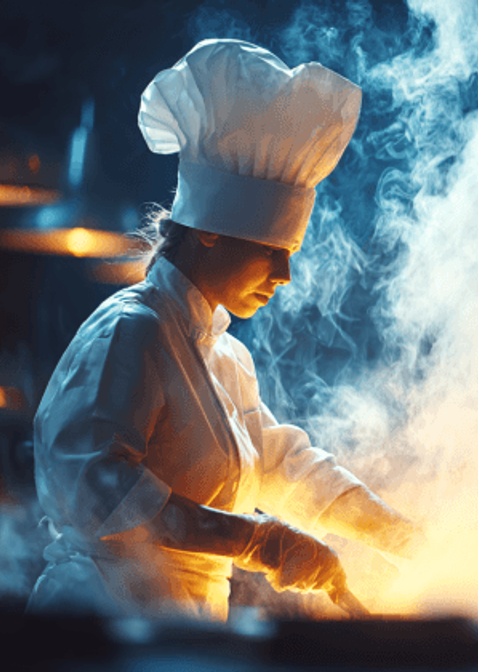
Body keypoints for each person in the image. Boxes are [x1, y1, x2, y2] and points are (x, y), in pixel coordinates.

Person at [27, 39, 417, 621]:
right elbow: (98, 487)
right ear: (209, 231)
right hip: (94, 624)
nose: (285, 275)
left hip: (178, 631)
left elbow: (281, 466)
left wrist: (398, 534)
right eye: (272, 251)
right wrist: (257, 542)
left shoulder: (222, 357)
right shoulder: (131, 332)